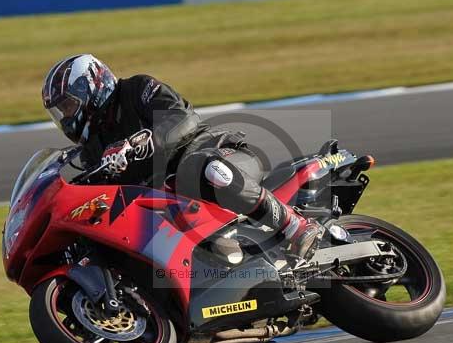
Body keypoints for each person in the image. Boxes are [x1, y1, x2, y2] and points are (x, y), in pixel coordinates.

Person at [41, 54, 321, 260]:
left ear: (92, 87)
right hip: (171, 198)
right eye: (60, 112)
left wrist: (145, 139)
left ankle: (295, 226)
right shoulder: (93, 147)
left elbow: (181, 119)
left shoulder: (137, 89)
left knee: (201, 169)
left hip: (216, 157)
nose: (66, 117)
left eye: (68, 105)